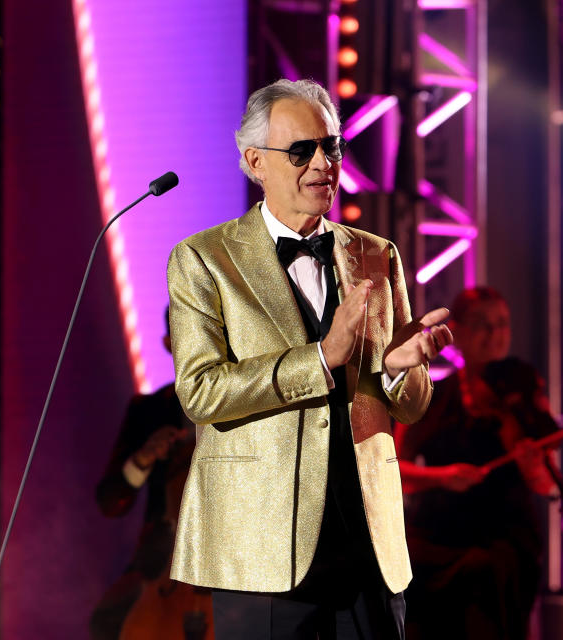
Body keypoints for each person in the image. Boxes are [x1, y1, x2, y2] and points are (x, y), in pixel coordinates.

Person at [165, 79, 453, 640]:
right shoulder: (205, 259)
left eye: (333, 147)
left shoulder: (375, 253)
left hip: (368, 545)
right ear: (255, 162)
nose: (324, 162)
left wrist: (399, 369)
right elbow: (200, 391)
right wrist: (319, 360)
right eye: (302, 150)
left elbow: (411, 408)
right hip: (262, 548)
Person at [395, 287, 560, 640]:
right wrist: (441, 477)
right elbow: (395, 470)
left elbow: (547, 486)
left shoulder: (522, 384)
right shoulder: (435, 395)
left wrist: (534, 469)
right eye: (482, 324)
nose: (495, 334)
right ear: (458, 332)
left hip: (502, 532)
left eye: (502, 324)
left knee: (484, 572)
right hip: (439, 532)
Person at [90, 310, 209, 640]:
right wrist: (142, 459)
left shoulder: (237, 399)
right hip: (163, 561)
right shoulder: (147, 411)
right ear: (168, 344)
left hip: (229, 552)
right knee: (106, 623)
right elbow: (110, 501)